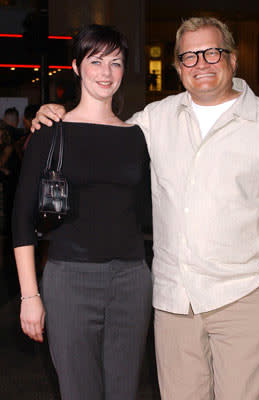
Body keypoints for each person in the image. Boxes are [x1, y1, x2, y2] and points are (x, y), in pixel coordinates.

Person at [32, 17, 259, 400]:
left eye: (211, 52)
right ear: (177, 67)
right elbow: (102, 134)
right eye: (188, 56)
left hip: (244, 297)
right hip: (175, 304)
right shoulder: (157, 118)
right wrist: (56, 116)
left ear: (233, 60)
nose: (200, 63)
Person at [12, 24, 152, 400]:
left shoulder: (136, 136)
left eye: (116, 63)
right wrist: (29, 296)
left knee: (124, 392)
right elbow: (21, 219)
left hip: (132, 282)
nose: (106, 73)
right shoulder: (50, 131)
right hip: (69, 281)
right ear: (76, 67)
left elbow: (146, 212)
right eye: (96, 61)